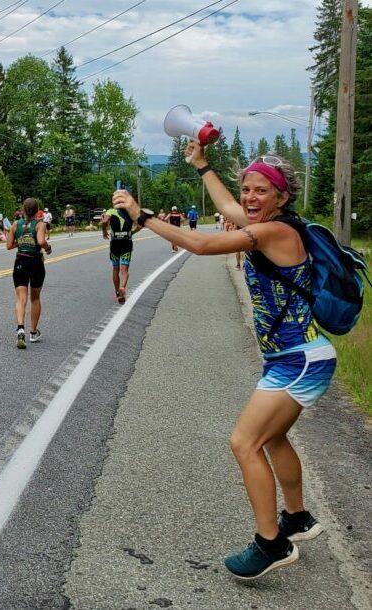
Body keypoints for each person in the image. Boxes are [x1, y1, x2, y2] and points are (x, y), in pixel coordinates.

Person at [113, 147, 337, 581]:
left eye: (262, 191)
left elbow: (201, 244)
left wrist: (143, 216)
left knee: (244, 443)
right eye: (247, 189)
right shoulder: (268, 223)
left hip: (301, 359)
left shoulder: (273, 233)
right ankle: (298, 518)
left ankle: (271, 543)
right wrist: (202, 166)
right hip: (293, 358)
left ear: (282, 197)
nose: (250, 198)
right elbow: (226, 206)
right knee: (272, 439)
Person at [6, 197, 51, 349]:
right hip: (35, 262)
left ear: (23, 210)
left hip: (20, 261)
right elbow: (41, 241)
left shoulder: (15, 225)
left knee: (21, 298)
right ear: (37, 210)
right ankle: (33, 332)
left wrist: (22, 239)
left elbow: (9, 245)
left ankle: (20, 329)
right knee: (35, 298)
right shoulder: (40, 225)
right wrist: (48, 248)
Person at [101, 206, 140, 305]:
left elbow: (104, 222)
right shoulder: (131, 212)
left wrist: (104, 231)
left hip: (115, 244)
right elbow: (139, 226)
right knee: (125, 269)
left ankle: (117, 292)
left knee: (115, 269)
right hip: (126, 243)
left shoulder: (111, 211)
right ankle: (123, 287)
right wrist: (131, 233)